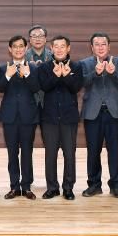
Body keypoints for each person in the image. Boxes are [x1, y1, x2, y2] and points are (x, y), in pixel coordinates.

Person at [79, 33, 118, 199]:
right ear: (92, 47)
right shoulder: (85, 63)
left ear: (109, 46)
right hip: (93, 114)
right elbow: (81, 83)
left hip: (115, 113)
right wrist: (95, 73)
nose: (100, 47)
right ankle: (94, 185)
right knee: (93, 151)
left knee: (114, 151)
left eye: (103, 44)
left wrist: (113, 73)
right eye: (97, 44)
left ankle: (116, 185)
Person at [38, 35, 84, 200]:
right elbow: (44, 87)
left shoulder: (76, 66)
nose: (59, 49)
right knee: (50, 155)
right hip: (49, 118)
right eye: (55, 46)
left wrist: (67, 76)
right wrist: (56, 76)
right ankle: (52, 188)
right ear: (51, 48)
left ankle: (68, 188)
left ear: (68, 48)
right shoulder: (44, 67)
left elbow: (76, 88)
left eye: (62, 46)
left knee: (69, 155)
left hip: (68, 118)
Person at [0, 35, 41, 200]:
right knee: (12, 153)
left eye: (21, 46)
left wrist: (27, 75)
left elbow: (36, 88)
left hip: (28, 116)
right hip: (9, 117)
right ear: (10, 49)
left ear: (26, 48)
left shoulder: (33, 68)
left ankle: (26, 187)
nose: (18, 49)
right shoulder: (3, 68)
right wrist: (7, 76)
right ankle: (14, 187)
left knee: (27, 152)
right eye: (14, 46)